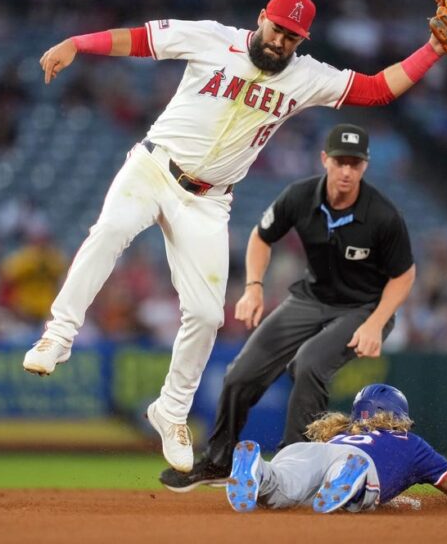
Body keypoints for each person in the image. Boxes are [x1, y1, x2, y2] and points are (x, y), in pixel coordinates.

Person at [23, 0, 447, 473]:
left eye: (293, 37)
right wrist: (78, 44)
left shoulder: (306, 76)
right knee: (109, 232)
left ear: (303, 38)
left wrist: (434, 50)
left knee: (208, 315)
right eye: (277, 30)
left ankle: (170, 410)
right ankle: (58, 336)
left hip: (208, 201)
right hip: (153, 168)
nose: (280, 42)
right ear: (261, 19)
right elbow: (142, 40)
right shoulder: (211, 38)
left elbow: (377, 88)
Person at [160, 123, 415, 490]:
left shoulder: (381, 214)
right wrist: (253, 288)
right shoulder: (300, 196)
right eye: (340, 161)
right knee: (239, 375)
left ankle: (297, 466)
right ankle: (218, 461)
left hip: (364, 306)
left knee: (309, 363)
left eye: (354, 164)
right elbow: (261, 237)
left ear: (365, 166)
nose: (346, 171)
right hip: (311, 298)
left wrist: (376, 323)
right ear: (324, 159)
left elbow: (404, 275)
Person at [224, 383, 447, 513]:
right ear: (398, 415)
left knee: (281, 490)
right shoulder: (411, 444)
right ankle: (350, 481)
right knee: (358, 493)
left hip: (306, 451)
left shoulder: (340, 431)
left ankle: (259, 470)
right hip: (357, 461)